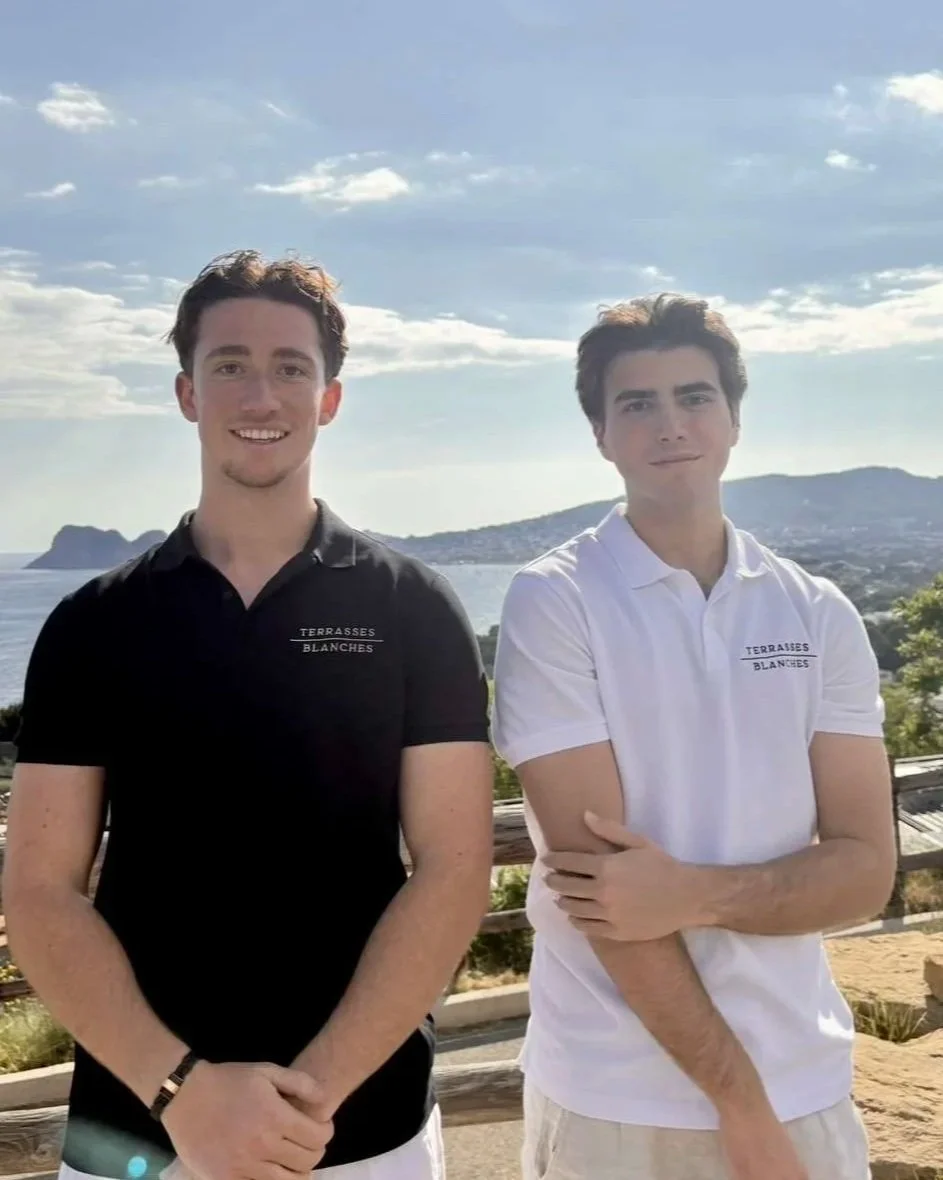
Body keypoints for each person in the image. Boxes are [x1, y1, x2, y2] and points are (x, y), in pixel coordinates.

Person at [5, 250, 495, 1180]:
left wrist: (306, 1099)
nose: (260, 395)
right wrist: (183, 1094)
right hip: (140, 1133)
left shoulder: (413, 607)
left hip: (361, 1129)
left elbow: (454, 869)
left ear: (329, 398)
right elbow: (39, 890)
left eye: (290, 368)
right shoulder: (94, 624)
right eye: (229, 364)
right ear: (187, 393)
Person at [491, 294, 896, 1180]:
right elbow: (604, 893)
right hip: (614, 1097)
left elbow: (867, 869)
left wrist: (692, 894)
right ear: (600, 434)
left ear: (734, 419)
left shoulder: (815, 611)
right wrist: (739, 1104)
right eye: (636, 403)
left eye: (694, 396)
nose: (669, 423)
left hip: (805, 1077)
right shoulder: (556, 600)